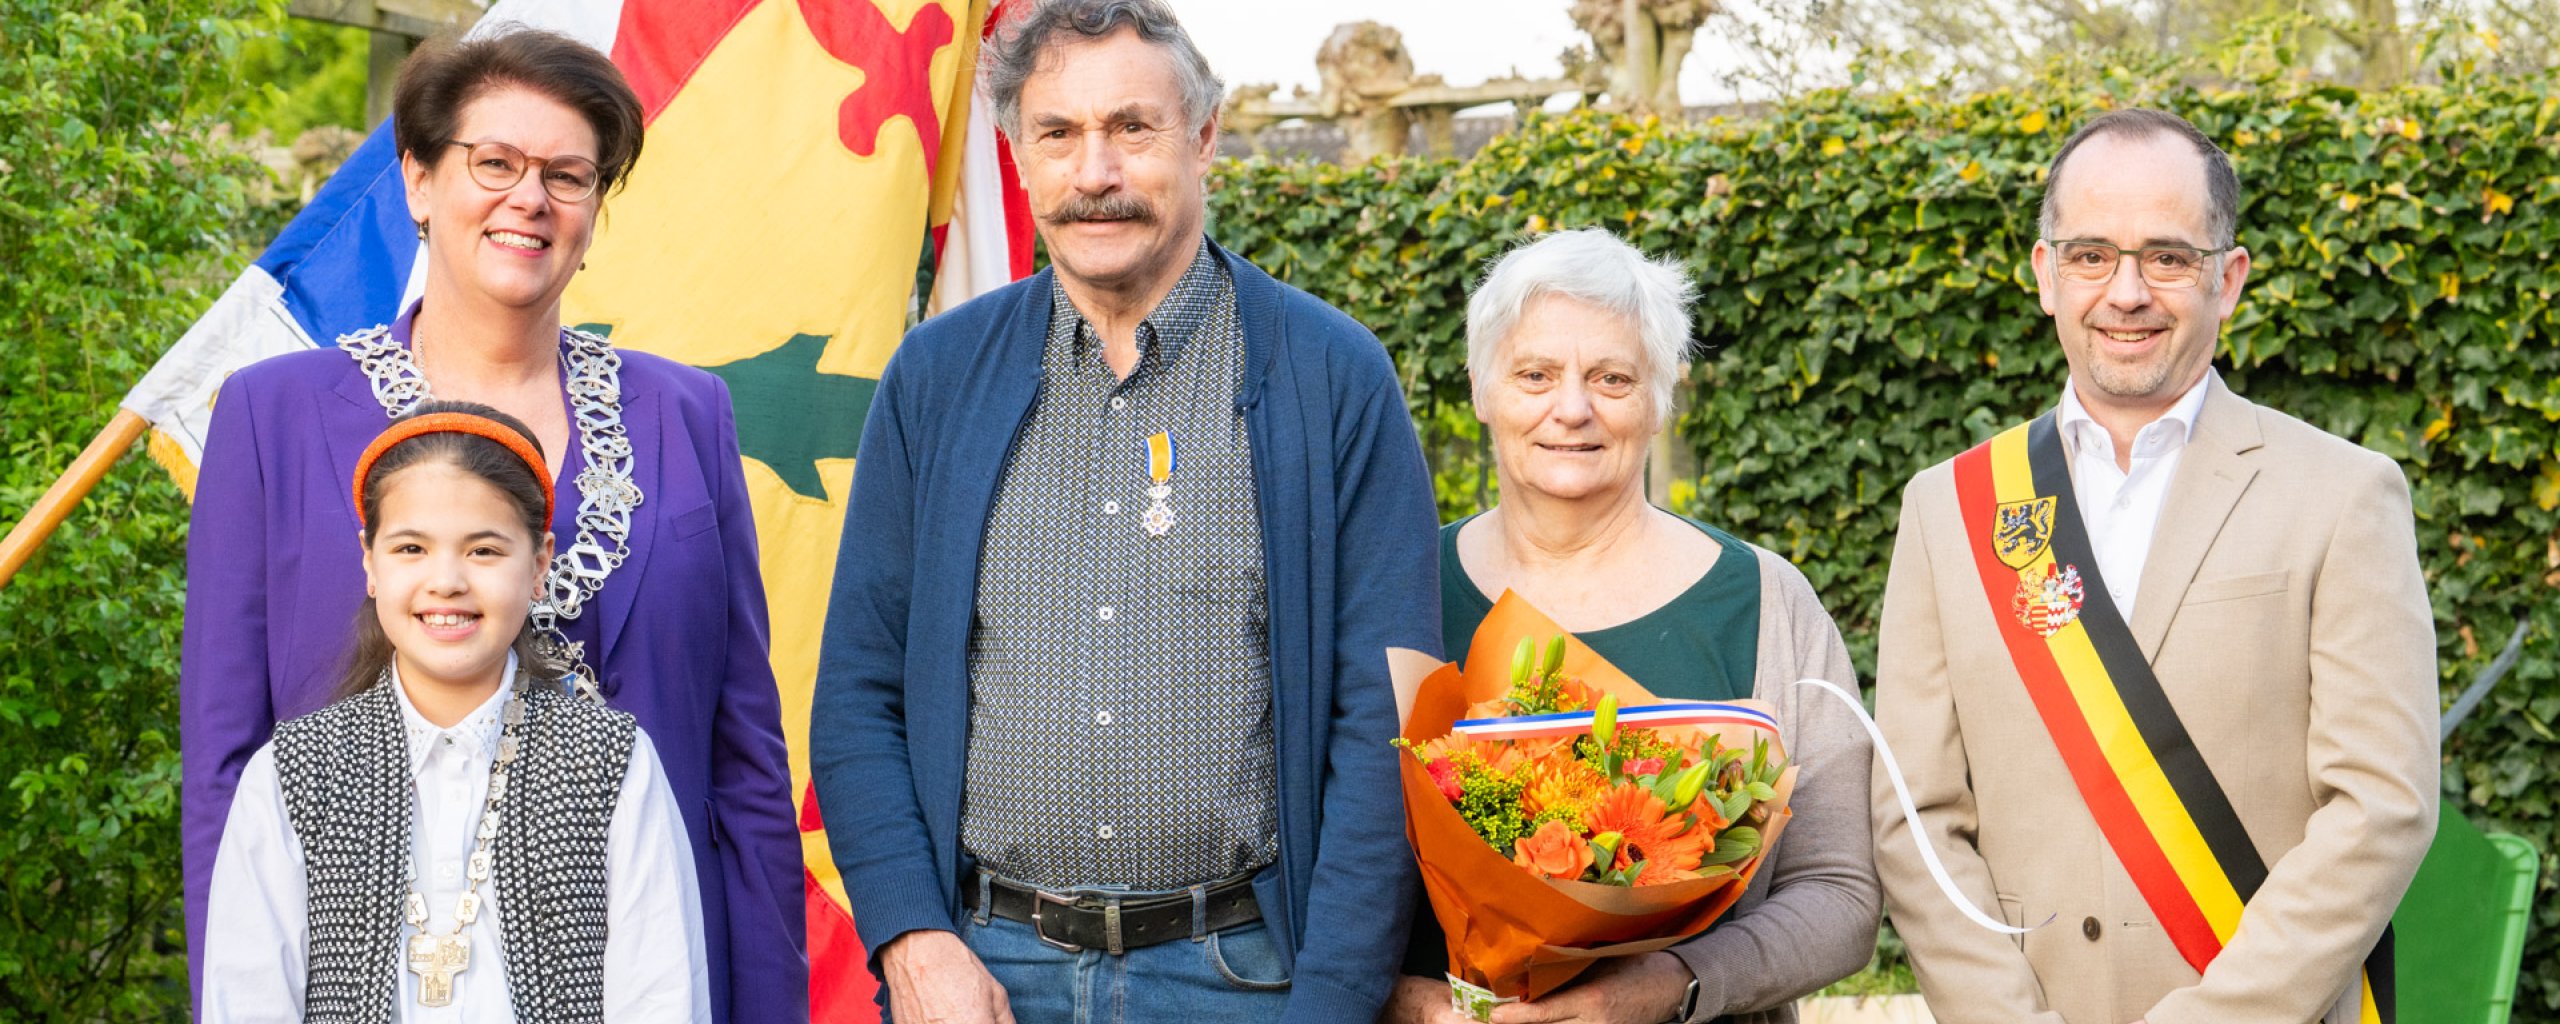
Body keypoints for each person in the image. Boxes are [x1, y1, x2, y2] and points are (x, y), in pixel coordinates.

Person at [806, 1, 1441, 1021]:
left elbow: (1386, 725)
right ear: (1018, 157)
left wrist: (1334, 1001)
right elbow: (857, 694)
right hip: (989, 974)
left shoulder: (1332, 377)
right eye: (1058, 134)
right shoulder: (934, 377)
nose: (1092, 172)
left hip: (1246, 977)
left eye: (1131, 130)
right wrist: (912, 940)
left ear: (1202, 138)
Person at [179, 30, 804, 1022]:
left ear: (596, 211)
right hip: (359, 977)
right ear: (419, 182)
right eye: (495, 164)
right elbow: (222, 758)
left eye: (568, 175)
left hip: (654, 976)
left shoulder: (687, 417)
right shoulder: (273, 416)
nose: (531, 199)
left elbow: (746, 764)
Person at [1870, 108, 2437, 1024]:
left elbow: (2381, 807)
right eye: (2091, 254)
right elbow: (1916, 821)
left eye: (2167, 258)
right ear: (2046, 274)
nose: (2126, 291)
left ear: (2230, 279)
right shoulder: (1947, 510)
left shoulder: (2344, 495)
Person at [1379, 229, 1881, 1024]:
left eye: (1612, 378)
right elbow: (1313, 865)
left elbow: (1840, 895)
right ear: (1480, 388)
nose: (1571, 409)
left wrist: (1672, 983)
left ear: (1660, 397)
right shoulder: (1392, 594)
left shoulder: (1764, 602)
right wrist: (1400, 1000)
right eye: (1535, 374)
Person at [201, 401, 708, 1021]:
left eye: (484, 551)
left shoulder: (609, 761)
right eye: (411, 548)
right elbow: (247, 998)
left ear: (540, 564)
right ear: (369, 562)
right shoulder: (295, 771)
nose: (446, 581)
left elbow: (662, 997)